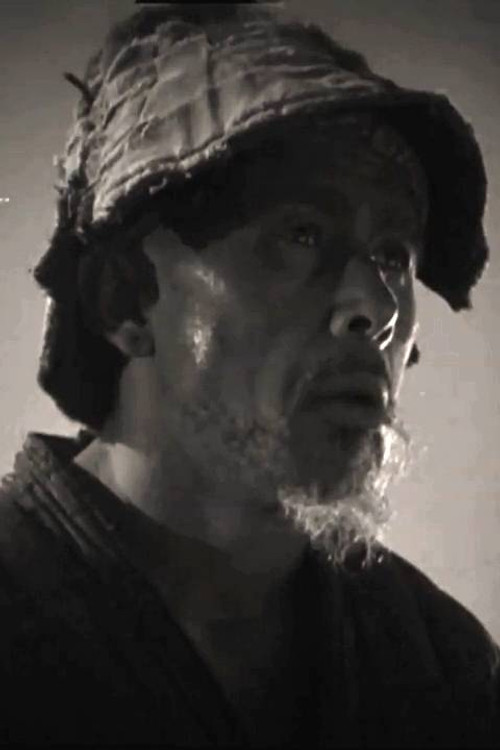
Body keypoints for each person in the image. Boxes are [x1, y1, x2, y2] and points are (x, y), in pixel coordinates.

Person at [0, 2, 498, 746]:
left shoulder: (440, 666)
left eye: (393, 254)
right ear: (125, 299)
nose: (376, 307)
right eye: (301, 234)